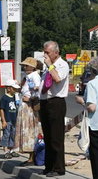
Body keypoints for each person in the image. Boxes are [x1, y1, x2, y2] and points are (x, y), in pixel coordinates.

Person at [39, 41, 69, 177]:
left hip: (56, 102)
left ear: (56, 53)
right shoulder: (47, 67)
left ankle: (58, 168)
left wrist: (50, 66)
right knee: (48, 136)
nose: (45, 55)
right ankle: (49, 165)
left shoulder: (61, 65)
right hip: (45, 102)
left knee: (56, 137)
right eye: (44, 52)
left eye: (47, 52)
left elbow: (57, 79)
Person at [15, 57, 42, 165]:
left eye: (26, 65)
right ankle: (30, 155)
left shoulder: (35, 76)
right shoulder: (27, 77)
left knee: (30, 130)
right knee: (26, 130)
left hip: (30, 105)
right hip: (25, 105)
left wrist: (30, 98)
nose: (25, 67)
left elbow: (38, 91)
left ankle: (32, 156)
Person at [0, 79, 20, 159]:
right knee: (6, 135)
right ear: (8, 88)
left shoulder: (15, 97)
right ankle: (5, 150)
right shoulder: (4, 98)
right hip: (7, 119)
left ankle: (11, 150)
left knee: (13, 135)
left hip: (14, 119)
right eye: (14, 88)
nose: (15, 90)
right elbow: (2, 109)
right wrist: (3, 120)